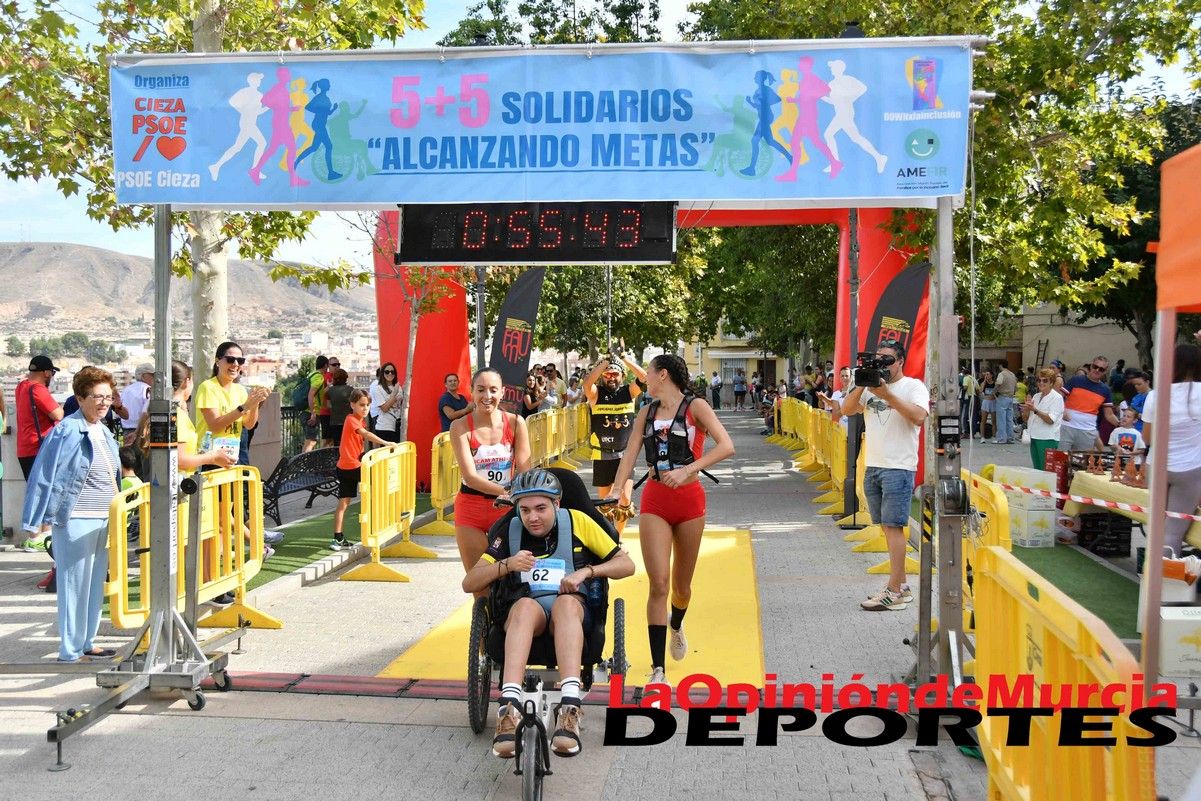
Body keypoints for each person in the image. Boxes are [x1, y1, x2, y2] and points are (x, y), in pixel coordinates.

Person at [462, 469, 635, 758]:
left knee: (565, 604)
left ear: (556, 504)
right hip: (529, 611)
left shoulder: (579, 522)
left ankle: (570, 708)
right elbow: (470, 582)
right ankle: (508, 708)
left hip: (571, 610)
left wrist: (586, 572)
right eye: (525, 510)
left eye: (541, 508)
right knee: (523, 607)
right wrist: (507, 564)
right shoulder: (510, 530)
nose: (533, 517)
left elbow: (626, 565)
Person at [606, 354, 734, 688]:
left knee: (681, 587)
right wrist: (617, 491)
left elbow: (726, 446)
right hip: (655, 501)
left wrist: (688, 469)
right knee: (659, 583)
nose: (643, 378)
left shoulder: (696, 407)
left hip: (690, 501)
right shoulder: (645, 412)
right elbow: (630, 455)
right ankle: (658, 669)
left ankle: (676, 625)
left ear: (662, 375)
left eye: (647, 373)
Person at [21, 367, 121, 662]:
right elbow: (44, 474)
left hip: (104, 518)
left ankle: (87, 641)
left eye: (108, 397)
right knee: (74, 586)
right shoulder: (66, 429)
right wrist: (35, 519)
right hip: (76, 518)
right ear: (80, 398)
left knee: (93, 585)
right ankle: (70, 650)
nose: (104, 403)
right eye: (97, 397)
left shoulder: (103, 431)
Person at [839, 341, 929, 611]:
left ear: (901, 361)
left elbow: (919, 417)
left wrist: (888, 395)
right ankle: (902, 587)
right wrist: (862, 383)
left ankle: (894, 590)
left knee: (894, 527)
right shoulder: (869, 387)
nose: (882, 365)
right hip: (874, 465)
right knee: (886, 527)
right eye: (878, 360)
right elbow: (847, 410)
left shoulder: (913, 386)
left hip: (899, 466)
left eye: (887, 360)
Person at [450, 368, 532, 574]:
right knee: (479, 580)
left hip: (506, 509)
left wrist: (515, 496)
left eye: (493, 390)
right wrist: (505, 492)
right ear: (472, 392)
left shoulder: (516, 423)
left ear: (502, 392)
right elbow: (470, 477)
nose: (487, 396)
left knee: (510, 576)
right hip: (471, 508)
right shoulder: (459, 426)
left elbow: (525, 469)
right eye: (481, 390)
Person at [1141, 344, 1201, 556]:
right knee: (1173, 531)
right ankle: (1164, 575)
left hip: (1156, 466)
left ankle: (1150, 573)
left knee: (1156, 526)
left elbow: (1147, 438)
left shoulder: (1155, 395)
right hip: (1189, 468)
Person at [582, 355, 648, 535]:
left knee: (625, 499)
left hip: (624, 454)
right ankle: (608, 536)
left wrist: (625, 360)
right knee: (606, 503)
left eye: (615, 374)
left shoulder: (629, 392)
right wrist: (604, 362)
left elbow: (645, 378)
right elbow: (587, 384)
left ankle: (618, 536)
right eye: (607, 375)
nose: (611, 378)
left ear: (622, 376)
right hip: (602, 455)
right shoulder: (596, 394)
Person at [331, 389, 392, 550]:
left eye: (368, 405)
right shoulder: (351, 419)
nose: (365, 408)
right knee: (381, 483)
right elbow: (366, 435)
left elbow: (358, 442)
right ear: (352, 405)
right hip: (352, 466)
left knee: (344, 503)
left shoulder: (359, 420)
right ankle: (387, 517)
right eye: (361, 405)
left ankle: (337, 538)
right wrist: (386, 443)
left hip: (345, 466)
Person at [15, 355, 65, 552]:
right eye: (51, 372)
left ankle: (41, 534)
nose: (51, 376)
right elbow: (57, 414)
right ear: (45, 373)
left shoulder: (21, 387)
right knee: (45, 491)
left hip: (24, 447)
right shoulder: (38, 389)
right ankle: (36, 536)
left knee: (36, 490)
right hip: (40, 447)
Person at [194, 341, 270, 462]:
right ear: (217, 361)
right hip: (210, 458)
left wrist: (255, 402)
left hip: (233, 457)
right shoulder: (207, 387)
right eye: (230, 359)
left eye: (240, 361)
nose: (235, 364)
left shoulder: (240, 390)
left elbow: (249, 425)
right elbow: (215, 426)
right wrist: (245, 407)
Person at [1059, 356, 1120, 452]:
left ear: (1105, 371)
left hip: (1087, 431)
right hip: (1066, 427)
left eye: (1101, 369)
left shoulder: (1105, 390)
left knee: (1083, 460)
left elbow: (1109, 414)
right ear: (1091, 366)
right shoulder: (1075, 380)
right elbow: (1059, 397)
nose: (1097, 370)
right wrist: (1062, 410)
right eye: (1095, 366)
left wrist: (1121, 425)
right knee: (1060, 458)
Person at [1021, 368, 1064, 470]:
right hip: (1034, 437)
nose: (1041, 383)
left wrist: (1035, 410)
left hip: (1047, 438)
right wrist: (1026, 409)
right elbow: (1025, 419)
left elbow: (1050, 420)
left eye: (1045, 380)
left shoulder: (1057, 398)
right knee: (1037, 469)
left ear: (1051, 383)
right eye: (1039, 380)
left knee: (1046, 470)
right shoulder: (1036, 396)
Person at [118, 363, 155, 444]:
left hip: (125, 431)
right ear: (144, 376)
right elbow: (145, 412)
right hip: (141, 431)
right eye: (152, 375)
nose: (154, 378)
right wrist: (138, 432)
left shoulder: (126, 390)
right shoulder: (148, 389)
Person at [370, 362, 404, 443]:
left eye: (392, 372)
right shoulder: (378, 388)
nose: (390, 374)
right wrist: (394, 394)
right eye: (387, 372)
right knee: (388, 450)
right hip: (385, 426)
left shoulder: (398, 387)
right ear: (382, 373)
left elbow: (400, 405)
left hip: (398, 425)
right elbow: (384, 408)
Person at [302, 355, 329, 452]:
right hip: (311, 412)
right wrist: (313, 413)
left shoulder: (312, 374)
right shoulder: (319, 377)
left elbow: (317, 393)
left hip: (305, 411)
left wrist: (328, 387)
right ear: (325, 365)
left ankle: (303, 459)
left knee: (309, 440)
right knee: (311, 441)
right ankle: (304, 461)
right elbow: (311, 394)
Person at [326, 368, 353, 447]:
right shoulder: (351, 390)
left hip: (335, 421)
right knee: (349, 444)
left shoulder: (330, 391)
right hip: (348, 421)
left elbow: (328, 405)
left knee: (337, 445)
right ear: (345, 378)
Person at [993, 363, 1017, 444]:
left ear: (1001, 365)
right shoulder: (1012, 374)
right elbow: (1016, 387)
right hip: (1011, 397)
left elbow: (998, 383)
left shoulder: (1002, 374)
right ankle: (1010, 438)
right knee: (1009, 419)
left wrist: (994, 391)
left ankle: (1001, 438)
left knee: (1001, 419)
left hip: (1002, 397)